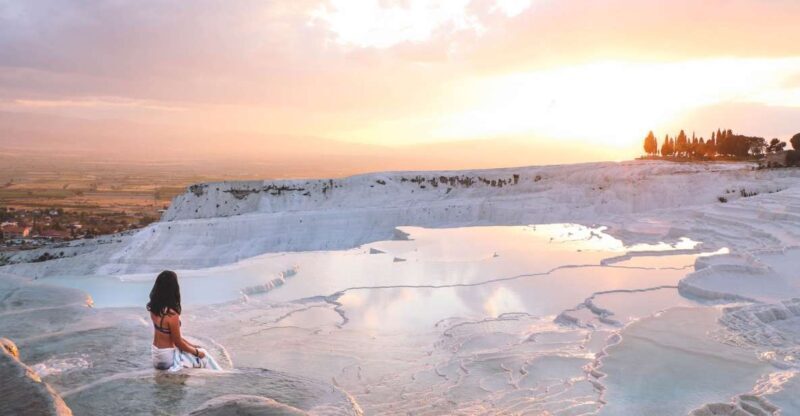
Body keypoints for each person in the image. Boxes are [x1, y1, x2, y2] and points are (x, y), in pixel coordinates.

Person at [147, 270, 219, 371]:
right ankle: (220, 376)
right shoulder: (171, 315)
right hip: (167, 358)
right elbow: (178, 342)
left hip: (156, 356)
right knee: (204, 356)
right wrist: (197, 352)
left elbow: (172, 338)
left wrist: (192, 346)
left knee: (196, 350)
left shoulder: (153, 309)